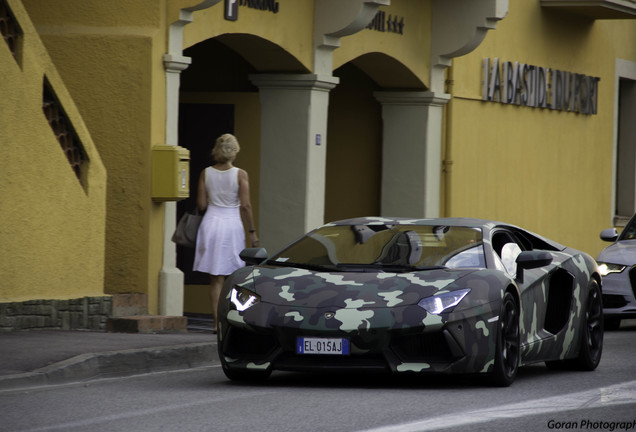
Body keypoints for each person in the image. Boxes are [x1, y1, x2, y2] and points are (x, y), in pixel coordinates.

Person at [193, 133, 258, 333]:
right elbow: (245, 205)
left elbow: (201, 204)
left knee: (215, 277)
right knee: (233, 275)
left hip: (211, 223)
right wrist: (253, 232)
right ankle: (232, 319)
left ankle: (215, 323)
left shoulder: (205, 173)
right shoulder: (240, 174)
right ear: (235, 151)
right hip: (231, 224)